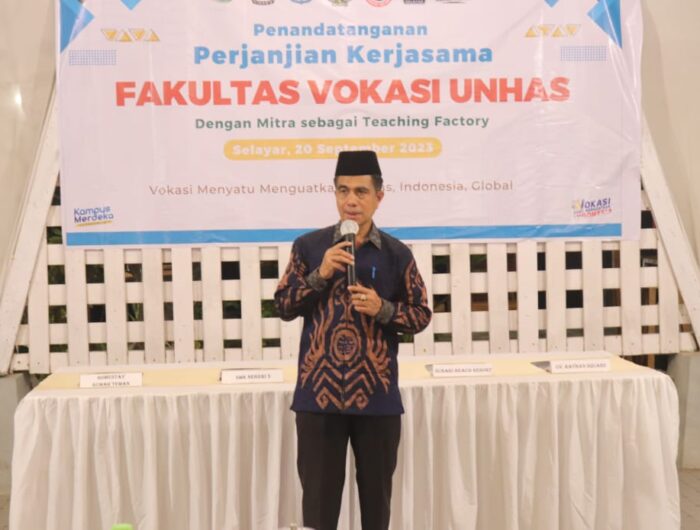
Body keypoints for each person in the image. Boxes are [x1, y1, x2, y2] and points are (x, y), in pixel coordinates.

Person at [274, 150, 432, 530]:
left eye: (361, 191)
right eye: (343, 190)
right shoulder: (309, 247)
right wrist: (320, 274)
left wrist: (383, 308)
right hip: (318, 398)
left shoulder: (396, 254)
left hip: (376, 397)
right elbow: (283, 305)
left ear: (379, 196)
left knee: (377, 509)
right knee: (318, 510)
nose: (351, 200)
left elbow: (421, 315)